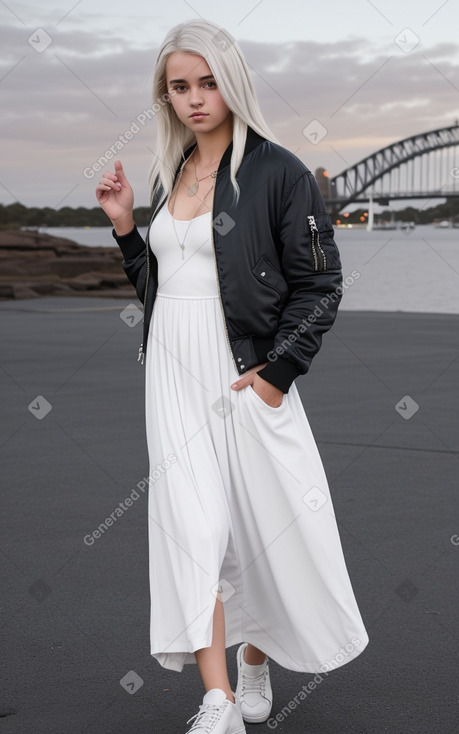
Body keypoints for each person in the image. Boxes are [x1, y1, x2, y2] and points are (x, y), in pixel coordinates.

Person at [96, 18, 369, 734]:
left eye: (207, 82)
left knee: (260, 529)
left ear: (233, 81)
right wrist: (128, 228)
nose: (194, 98)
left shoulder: (279, 173)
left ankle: (256, 660)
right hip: (170, 375)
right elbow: (163, 285)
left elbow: (322, 286)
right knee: (194, 528)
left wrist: (280, 371)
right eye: (179, 86)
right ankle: (216, 701)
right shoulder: (173, 170)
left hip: (244, 372)